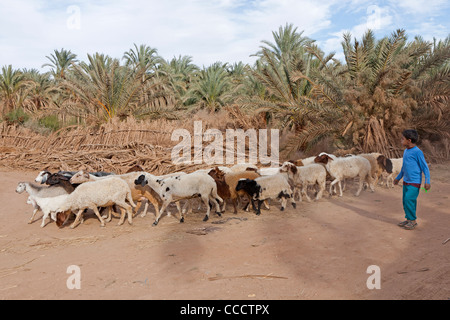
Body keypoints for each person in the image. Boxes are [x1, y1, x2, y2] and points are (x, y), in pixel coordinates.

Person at [394, 129, 431, 230]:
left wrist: (427, 181)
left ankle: (413, 221)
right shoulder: (406, 151)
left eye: (402, 139)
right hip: (406, 181)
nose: (401, 141)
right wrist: (398, 178)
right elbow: (404, 167)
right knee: (405, 201)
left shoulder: (417, 152)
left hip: (414, 182)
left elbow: (425, 167)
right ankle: (409, 219)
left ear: (409, 140)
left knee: (409, 199)